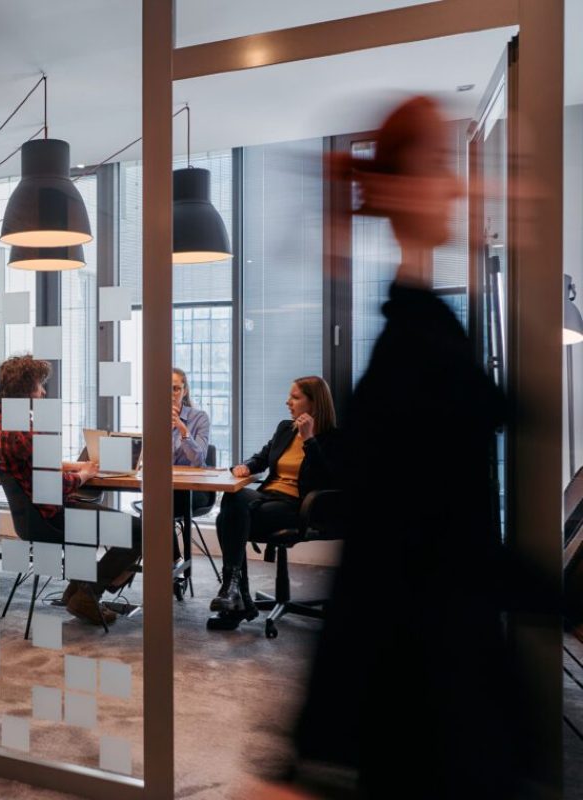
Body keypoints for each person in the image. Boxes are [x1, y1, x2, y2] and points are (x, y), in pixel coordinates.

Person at [283, 97, 513, 798]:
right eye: (441, 164)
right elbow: (384, 551)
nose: (457, 182)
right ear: (398, 187)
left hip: (436, 668)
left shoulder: (423, 327)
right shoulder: (412, 348)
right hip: (425, 679)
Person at [0, 354, 141, 626]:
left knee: (95, 526)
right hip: (50, 517)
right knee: (141, 531)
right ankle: (88, 593)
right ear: (24, 392)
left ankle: (77, 593)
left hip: (31, 518)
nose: (43, 391)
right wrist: (82, 475)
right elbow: (51, 485)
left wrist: (74, 465)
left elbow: (31, 466)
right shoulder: (21, 429)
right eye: (38, 386)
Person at [208, 376, 340, 629]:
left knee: (228, 517)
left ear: (314, 403)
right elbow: (263, 457)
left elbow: (329, 477)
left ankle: (236, 601)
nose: (287, 402)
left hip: (299, 506)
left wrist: (310, 439)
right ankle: (234, 594)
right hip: (268, 498)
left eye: (295, 397)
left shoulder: (333, 438)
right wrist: (246, 466)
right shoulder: (284, 428)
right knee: (232, 504)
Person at [170, 367, 214, 513]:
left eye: (176, 389)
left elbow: (198, 460)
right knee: (156, 500)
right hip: (166, 487)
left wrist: (182, 429)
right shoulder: (155, 419)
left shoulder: (200, 418)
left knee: (163, 504)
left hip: (195, 488)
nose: (171, 394)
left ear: (185, 391)